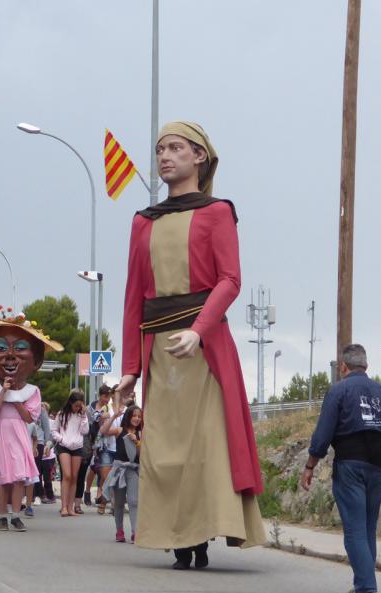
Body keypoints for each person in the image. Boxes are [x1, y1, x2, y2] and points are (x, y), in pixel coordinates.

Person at [118, 121, 265, 569]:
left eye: (176, 147)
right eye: (160, 148)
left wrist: (199, 329)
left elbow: (231, 280)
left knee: (205, 445)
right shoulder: (144, 222)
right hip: (159, 348)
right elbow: (133, 298)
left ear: (199, 156)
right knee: (163, 449)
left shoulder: (218, 212)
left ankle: (201, 534)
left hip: (204, 349)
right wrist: (129, 368)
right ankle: (176, 535)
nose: (165, 155)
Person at [300, 344, 381, 593]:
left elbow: (324, 431)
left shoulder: (339, 390)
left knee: (355, 529)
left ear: (343, 367)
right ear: (366, 366)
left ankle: (363, 591)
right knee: (368, 526)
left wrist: (311, 465)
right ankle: (365, 584)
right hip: (380, 465)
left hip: (351, 463)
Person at [0, 308, 63, 532]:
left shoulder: (33, 391)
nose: (10, 355)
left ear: (35, 360)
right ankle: (2, 516)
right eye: (0, 348)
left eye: (19, 348)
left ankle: (16, 515)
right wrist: (4, 391)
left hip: (19, 432)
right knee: (2, 477)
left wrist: (16, 396)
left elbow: (29, 417)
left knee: (18, 476)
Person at [102, 405, 142, 543]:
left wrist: (136, 442)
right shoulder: (120, 430)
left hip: (133, 470)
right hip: (119, 470)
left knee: (133, 501)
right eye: (134, 415)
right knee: (118, 502)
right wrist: (114, 416)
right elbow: (103, 431)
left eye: (139, 416)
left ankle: (135, 532)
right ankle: (119, 530)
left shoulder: (141, 433)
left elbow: (145, 452)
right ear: (128, 416)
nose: (136, 418)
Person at [52, 390, 90, 517]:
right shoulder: (62, 414)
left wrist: (84, 415)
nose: (78, 408)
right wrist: (62, 439)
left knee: (74, 476)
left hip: (77, 447)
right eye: (76, 405)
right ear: (71, 403)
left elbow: (85, 431)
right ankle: (63, 507)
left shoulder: (81, 415)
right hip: (64, 446)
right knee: (67, 475)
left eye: (80, 405)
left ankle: (70, 507)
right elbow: (54, 431)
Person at [84, 386, 113, 508]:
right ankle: (87, 490)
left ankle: (100, 494)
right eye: (105, 396)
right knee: (93, 467)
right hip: (91, 439)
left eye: (109, 396)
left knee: (102, 469)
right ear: (100, 395)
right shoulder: (90, 407)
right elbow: (92, 419)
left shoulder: (109, 408)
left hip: (103, 441)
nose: (107, 399)